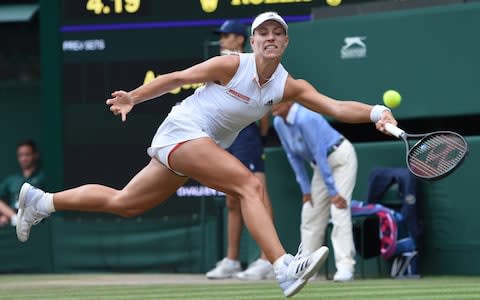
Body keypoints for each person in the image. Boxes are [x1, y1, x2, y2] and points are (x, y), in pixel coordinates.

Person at [15, 12, 396, 297]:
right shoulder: (230, 64)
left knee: (125, 202)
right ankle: (284, 267)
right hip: (183, 130)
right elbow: (178, 78)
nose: (270, 37)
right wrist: (134, 96)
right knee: (248, 185)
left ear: (285, 43)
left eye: (277, 33)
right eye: (263, 32)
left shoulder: (288, 86)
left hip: (195, 144)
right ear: (251, 40)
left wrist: (376, 112)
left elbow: (335, 106)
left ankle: (41, 201)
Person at [205, 19, 274, 281]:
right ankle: (232, 260)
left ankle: (267, 259)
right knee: (232, 198)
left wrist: (258, 134)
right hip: (224, 136)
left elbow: (265, 106)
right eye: (221, 36)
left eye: (227, 36)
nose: (222, 40)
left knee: (258, 194)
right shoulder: (219, 65)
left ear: (240, 39)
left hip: (247, 136)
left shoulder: (250, 64)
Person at [272, 101, 357, 282]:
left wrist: (333, 192)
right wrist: (305, 189)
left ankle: (345, 267)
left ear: (288, 101)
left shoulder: (306, 118)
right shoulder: (279, 122)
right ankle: (307, 268)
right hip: (321, 166)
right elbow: (292, 155)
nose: (270, 106)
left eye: (275, 101)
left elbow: (318, 152)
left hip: (341, 158)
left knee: (339, 211)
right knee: (310, 214)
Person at [0, 139, 45, 226]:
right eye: (21, 155)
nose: (24, 158)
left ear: (35, 155)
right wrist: (10, 216)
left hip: (35, 222)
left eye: (27, 155)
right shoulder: (12, 180)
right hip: (14, 220)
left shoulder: (42, 178)